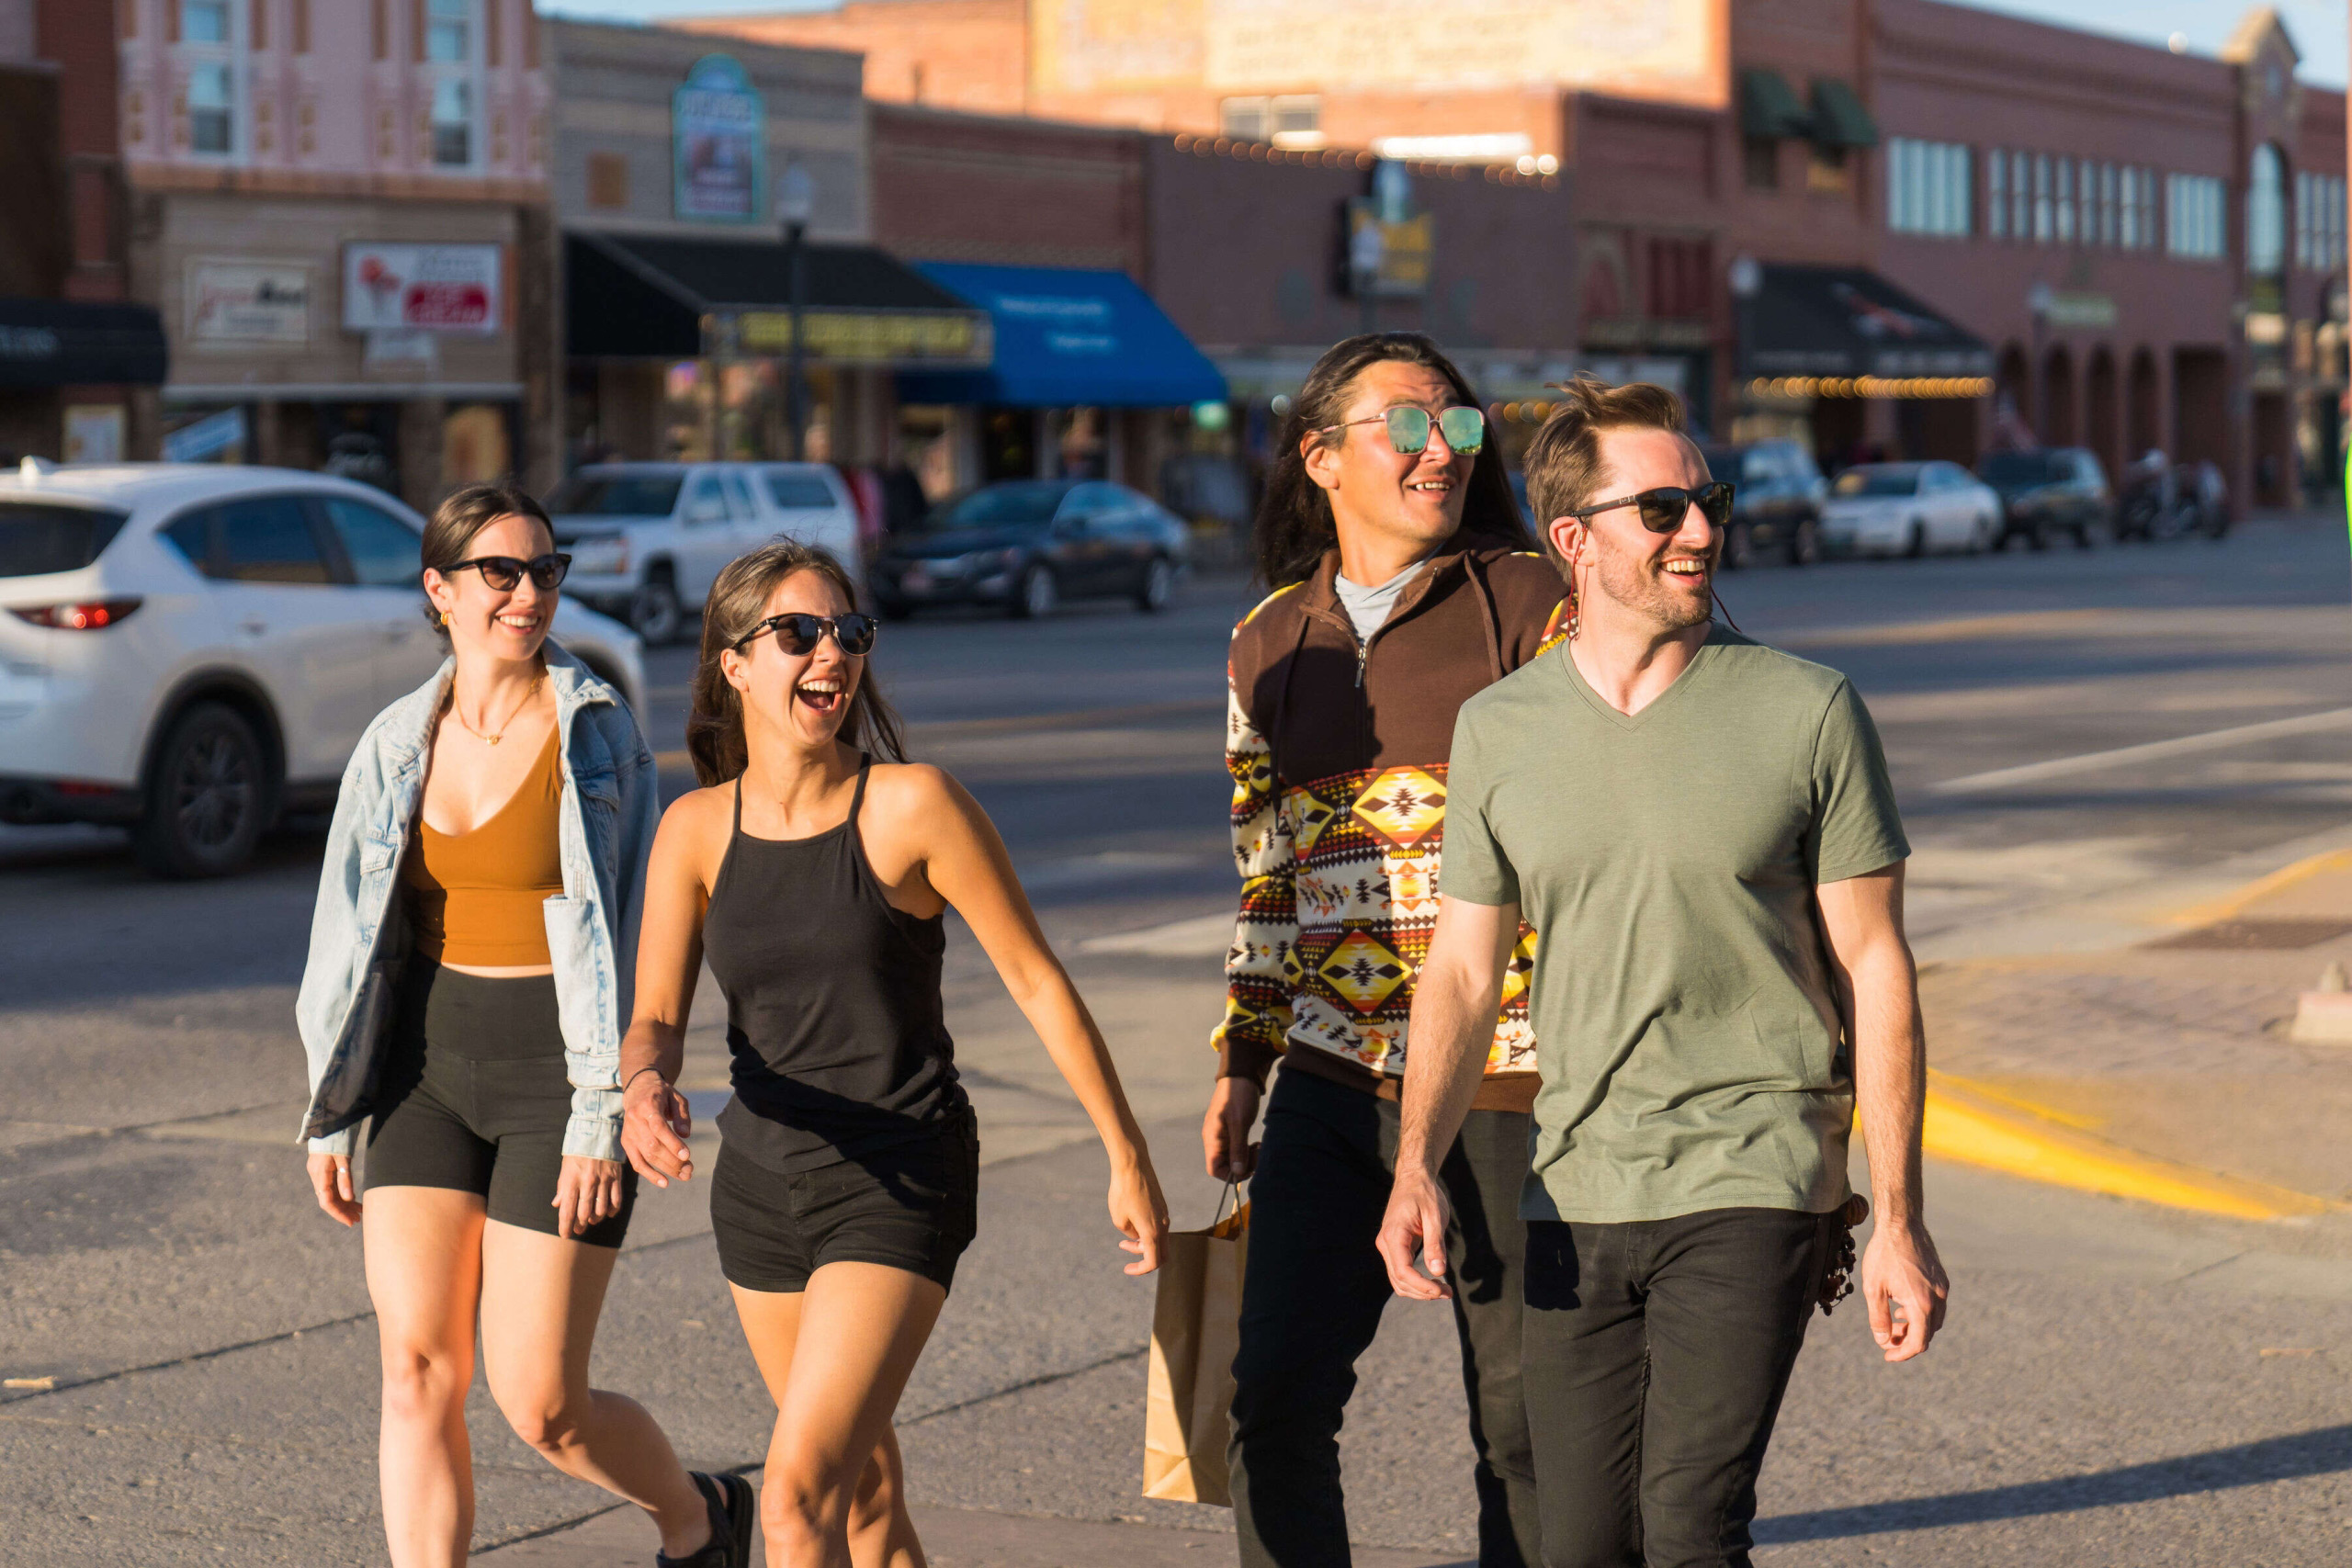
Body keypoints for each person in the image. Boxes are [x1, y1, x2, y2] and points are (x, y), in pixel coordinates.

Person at [1376, 378, 1951, 1568]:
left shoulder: (1807, 710)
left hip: (1756, 1164)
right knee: (1577, 1540)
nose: (1701, 530)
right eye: (1665, 508)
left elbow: (1877, 964)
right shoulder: (1501, 728)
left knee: (1689, 1524)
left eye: (1709, 501)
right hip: (1574, 1173)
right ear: (1574, 540)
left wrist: (1896, 1214)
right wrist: (1416, 1166)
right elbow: (1465, 974)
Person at [616, 539, 1169, 1568]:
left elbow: (1036, 978)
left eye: (847, 631)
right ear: (734, 662)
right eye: (798, 632)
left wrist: (1125, 1153)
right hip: (762, 1187)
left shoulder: (911, 805)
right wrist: (642, 1083)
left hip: (899, 1176)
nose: (831, 653)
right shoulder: (693, 828)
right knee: (861, 1496)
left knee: (792, 1500)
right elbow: (653, 1013)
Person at [296, 486, 749, 1567]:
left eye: (546, 570)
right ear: (439, 590)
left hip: (562, 1081)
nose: (528, 593)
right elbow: (342, 939)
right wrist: (329, 1110)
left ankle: (698, 1516)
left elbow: (646, 932)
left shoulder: (594, 736)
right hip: (424, 1073)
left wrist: (607, 1108)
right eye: (500, 571)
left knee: (541, 1402)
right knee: (415, 1370)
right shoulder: (395, 743)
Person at [1207, 333, 1568, 1568]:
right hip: (1330, 1078)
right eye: (1409, 427)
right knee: (1271, 1405)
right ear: (1321, 457)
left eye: (1460, 429)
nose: (1441, 453)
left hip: (1517, 1080)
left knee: (1525, 1433)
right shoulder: (1267, 641)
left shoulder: (1529, 603)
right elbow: (1268, 883)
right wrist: (1243, 1054)